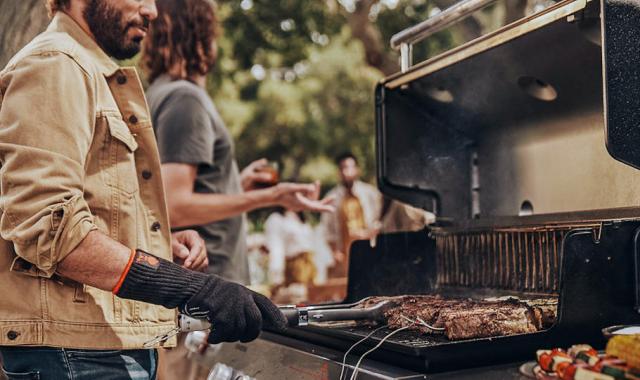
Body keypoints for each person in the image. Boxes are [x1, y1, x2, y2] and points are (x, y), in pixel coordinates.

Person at [0, 0, 286, 378]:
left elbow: (90, 214)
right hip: (75, 355)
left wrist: (160, 246)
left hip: (102, 346)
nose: (152, 10)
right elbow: (48, 228)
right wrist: (193, 289)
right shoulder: (55, 63)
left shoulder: (87, 71)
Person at [140, 1, 333, 378]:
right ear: (198, 34)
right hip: (204, 299)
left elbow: (172, 188)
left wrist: (235, 184)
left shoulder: (158, 93)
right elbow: (175, 205)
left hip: (191, 300)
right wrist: (272, 197)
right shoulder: (185, 98)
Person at [320, 152, 382, 277]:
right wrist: (334, 252)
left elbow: (380, 220)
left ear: (357, 170)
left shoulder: (370, 193)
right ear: (339, 172)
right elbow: (328, 230)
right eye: (343, 168)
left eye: (349, 167)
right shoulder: (332, 198)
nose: (346, 172)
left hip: (369, 249)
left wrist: (368, 233)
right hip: (345, 256)